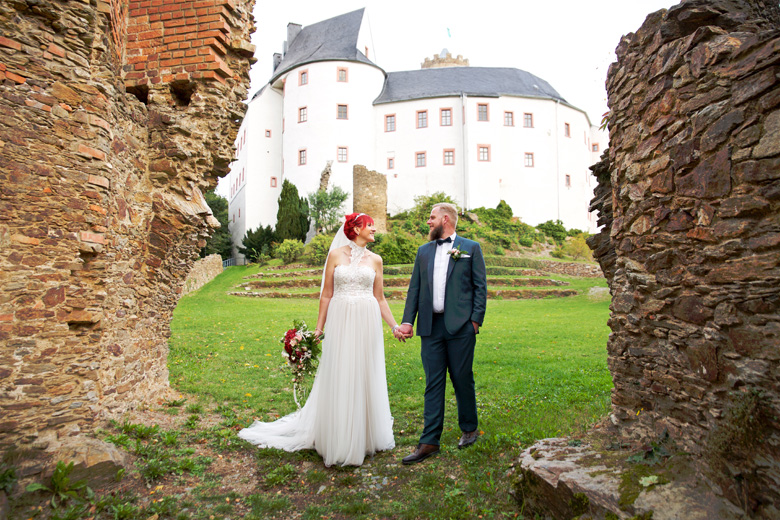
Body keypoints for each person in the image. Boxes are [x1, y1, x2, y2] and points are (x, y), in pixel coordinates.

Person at [239, 213, 404, 466]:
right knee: (340, 370)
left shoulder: (376, 260)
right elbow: (326, 294)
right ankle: (338, 435)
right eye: (370, 225)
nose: (374, 230)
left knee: (365, 371)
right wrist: (318, 328)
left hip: (367, 322)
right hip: (341, 319)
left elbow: (380, 298)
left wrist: (394, 326)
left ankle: (365, 435)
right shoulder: (335, 255)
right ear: (356, 228)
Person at [397, 203, 487, 464]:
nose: (428, 221)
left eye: (432, 217)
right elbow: (414, 289)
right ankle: (429, 441)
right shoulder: (423, 251)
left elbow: (480, 287)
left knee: (462, 378)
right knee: (432, 383)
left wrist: (475, 321)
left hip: (461, 327)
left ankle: (469, 429)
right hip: (430, 326)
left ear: (445, 219)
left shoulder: (471, 248)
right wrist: (407, 321)